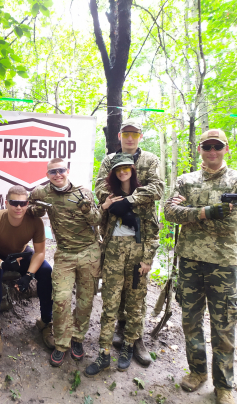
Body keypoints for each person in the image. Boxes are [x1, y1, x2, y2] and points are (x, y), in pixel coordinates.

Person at [164, 129, 237, 404]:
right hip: (189, 262)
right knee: (190, 322)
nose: (212, 151)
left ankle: (224, 385)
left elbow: (232, 225)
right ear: (199, 149)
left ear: (226, 148)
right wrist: (206, 211)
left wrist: (189, 212)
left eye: (217, 146)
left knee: (223, 325)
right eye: (207, 146)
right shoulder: (186, 180)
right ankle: (197, 371)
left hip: (222, 264)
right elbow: (168, 213)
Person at [94, 118, 163, 367]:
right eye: (126, 134)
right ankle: (118, 334)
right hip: (114, 233)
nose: (130, 138)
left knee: (137, 291)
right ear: (120, 136)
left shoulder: (150, 160)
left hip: (141, 233)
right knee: (114, 291)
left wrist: (130, 201)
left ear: (140, 136)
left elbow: (157, 188)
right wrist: (118, 207)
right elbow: (100, 187)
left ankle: (136, 339)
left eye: (134, 134)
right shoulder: (109, 159)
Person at [84, 154, 159, 377]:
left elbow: (153, 231)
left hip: (137, 256)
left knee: (135, 304)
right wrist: (106, 206)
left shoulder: (143, 198)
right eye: (119, 169)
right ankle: (104, 353)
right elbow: (99, 222)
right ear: (114, 172)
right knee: (110, 304)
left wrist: (147, 259)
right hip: (114, 254)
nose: (123, 172)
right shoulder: (110, 196)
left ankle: (127, 346)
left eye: (127, 168)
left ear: (133, 170)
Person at [29, 158, 101, 367]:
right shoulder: (41, 193)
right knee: (60, 299)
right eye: (53, 172)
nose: (58, 175)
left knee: (85, 300)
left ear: (67, 171)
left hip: (89, 252)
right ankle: (61, 343)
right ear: (47, 174)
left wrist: (87, 209)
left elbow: (97, 220)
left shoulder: (83, 192)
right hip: (65, 254)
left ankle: (77, 339)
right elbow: (30, 207)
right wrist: (37, 211)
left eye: (61, 170)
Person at [0, 185, 54, 357]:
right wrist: (4, 265)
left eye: (23, 203)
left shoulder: (35, 221)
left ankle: (45, 322)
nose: (18, 207)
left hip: (20, 253)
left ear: (28, 204)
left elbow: (40, 252)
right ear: (6, 203)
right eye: (14, 203)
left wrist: (29, 276)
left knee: (45, 271)